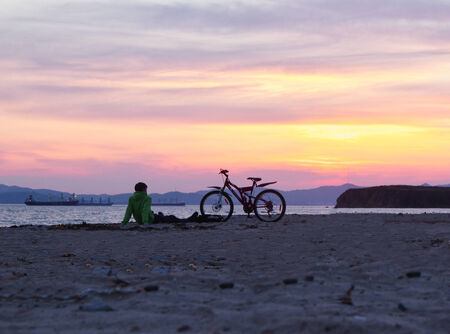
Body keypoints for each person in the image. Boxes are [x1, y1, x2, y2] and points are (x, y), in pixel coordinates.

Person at [121, 182, 198, 228]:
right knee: (172, 218)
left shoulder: (131, 198)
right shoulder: (147, 198)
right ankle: (189, 219)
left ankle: (161, 215)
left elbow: (128, 212)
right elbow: (145, 211)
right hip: (151, 220)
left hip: (140, 220)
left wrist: (124, 223)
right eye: (146, 189)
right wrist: (145, 223)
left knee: (161, 216)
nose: (147, 191)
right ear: (144, 189)